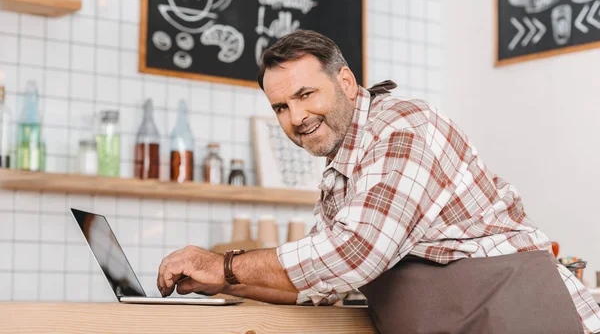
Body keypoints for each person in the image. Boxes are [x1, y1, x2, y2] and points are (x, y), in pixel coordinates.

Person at [157, 30, 600, 333]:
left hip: (521, 318)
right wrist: (222, 283)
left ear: (346, 82)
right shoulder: (342, 169)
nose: (295, 118)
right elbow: (320, 282)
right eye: (280, 108)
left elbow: (356, 253)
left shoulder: (402, 129)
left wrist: (225, 264)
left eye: (305, 95)